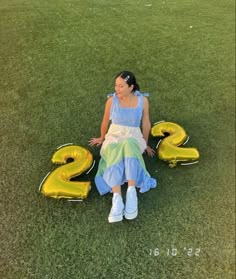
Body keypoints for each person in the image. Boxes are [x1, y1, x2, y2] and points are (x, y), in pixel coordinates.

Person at [89, 70, 157, 223]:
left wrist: (145, 144)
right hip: (114, 134)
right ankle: (117, 198)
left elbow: (146, 123)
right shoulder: (111, 101)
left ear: (131, 87)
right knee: (114, 149)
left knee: (129, 143)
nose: (116, 89)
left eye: (121, 86)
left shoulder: (143, 101)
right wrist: (102, 137)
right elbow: (105, 121)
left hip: (133, 135)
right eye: (116, 86)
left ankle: (131, 193)